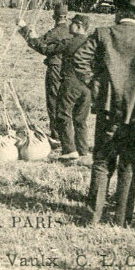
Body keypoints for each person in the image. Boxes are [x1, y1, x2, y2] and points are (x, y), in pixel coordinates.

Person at [73, 0, 135, 227]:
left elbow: (79, 59)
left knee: (102, 162)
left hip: (107, 107)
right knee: (128, 163)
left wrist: (95, 85)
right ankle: (122, 218)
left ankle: (92, 216)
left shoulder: (102, 33)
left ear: (119, 11)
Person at [18, 2, 71, 145]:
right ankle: (67, 134)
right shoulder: (71, 31)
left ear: (54, 16)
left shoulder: (55, 32)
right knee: (66, 102)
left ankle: (56, 134)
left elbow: (39, 45)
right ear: (67, 16)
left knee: (53, 100)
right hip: (69, 70)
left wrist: (24, 29)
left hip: (55, 69)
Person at [52, 14, 93, 161]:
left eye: (72, 24)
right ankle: (83, 150)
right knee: (81, 119)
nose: (69, 26)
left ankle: (69, 150)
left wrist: (27, 32)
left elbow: (46, 49)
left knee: (63, 115)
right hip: (87, 86)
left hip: (70, 83)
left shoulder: (70, 42)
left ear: (79, 26)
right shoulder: (92, 43)